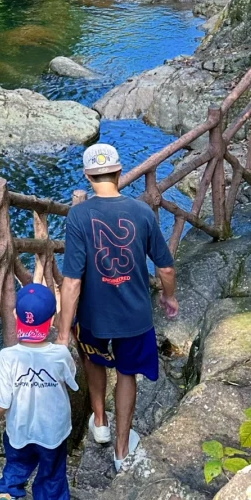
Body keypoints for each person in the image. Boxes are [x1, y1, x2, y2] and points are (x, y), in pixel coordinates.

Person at [57, 142, 178, 472]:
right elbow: (165, 268)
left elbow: (72, 281)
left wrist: (63, 330)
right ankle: (122, 451)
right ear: (120, 171)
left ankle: (99, 421)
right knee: (127, 374)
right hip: (134, 315)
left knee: (93, 359)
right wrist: (169, 297)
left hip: (93, 316)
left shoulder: (79, 215)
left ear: (87, 176)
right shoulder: (141, 212)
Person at [0, 281, 78, 500]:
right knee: (52, 471)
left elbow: (3, 402)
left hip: (19, 430)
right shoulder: (60, 355)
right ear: (52, 320)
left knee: (17, 464)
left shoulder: (7, 357)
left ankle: (7, 499)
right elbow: (72, 382)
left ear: (17, 316)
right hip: (52, 432)